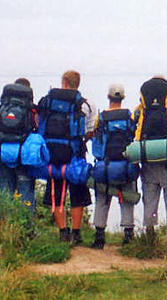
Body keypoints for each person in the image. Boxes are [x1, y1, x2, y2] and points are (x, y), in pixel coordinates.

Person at [40, 70, 97, 244]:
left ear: (63, 82)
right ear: (77, 84)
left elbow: (39, 121)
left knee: (57, 194)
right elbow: (91, 130)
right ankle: (77, 234)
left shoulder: (48, 101)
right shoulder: (86, 105)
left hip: (52, 153)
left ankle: (63, 232)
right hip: (75, 154)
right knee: (77, 193)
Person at [133, 76, 167, 254]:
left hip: (148, 161)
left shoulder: (140, 111)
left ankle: (149, 237)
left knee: (150, 199)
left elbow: (133, 132)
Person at [91, 84, 139, 249]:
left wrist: (99, 160)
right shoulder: (128, 116)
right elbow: (134, 138)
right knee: (126, 198)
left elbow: (97, 145)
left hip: (106, 165)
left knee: (102, 199)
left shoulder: (102, 117)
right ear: (123, 98)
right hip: (126, 165)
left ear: (108, 97)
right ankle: (128, 235)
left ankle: (99, 236)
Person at [0, 78, 36, 214]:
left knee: (4, 190)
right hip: (23, 156)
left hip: (4, 153)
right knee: (26, 191)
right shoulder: (31, 110)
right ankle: (26, 227)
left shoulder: (4, 107)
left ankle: (3, 224)